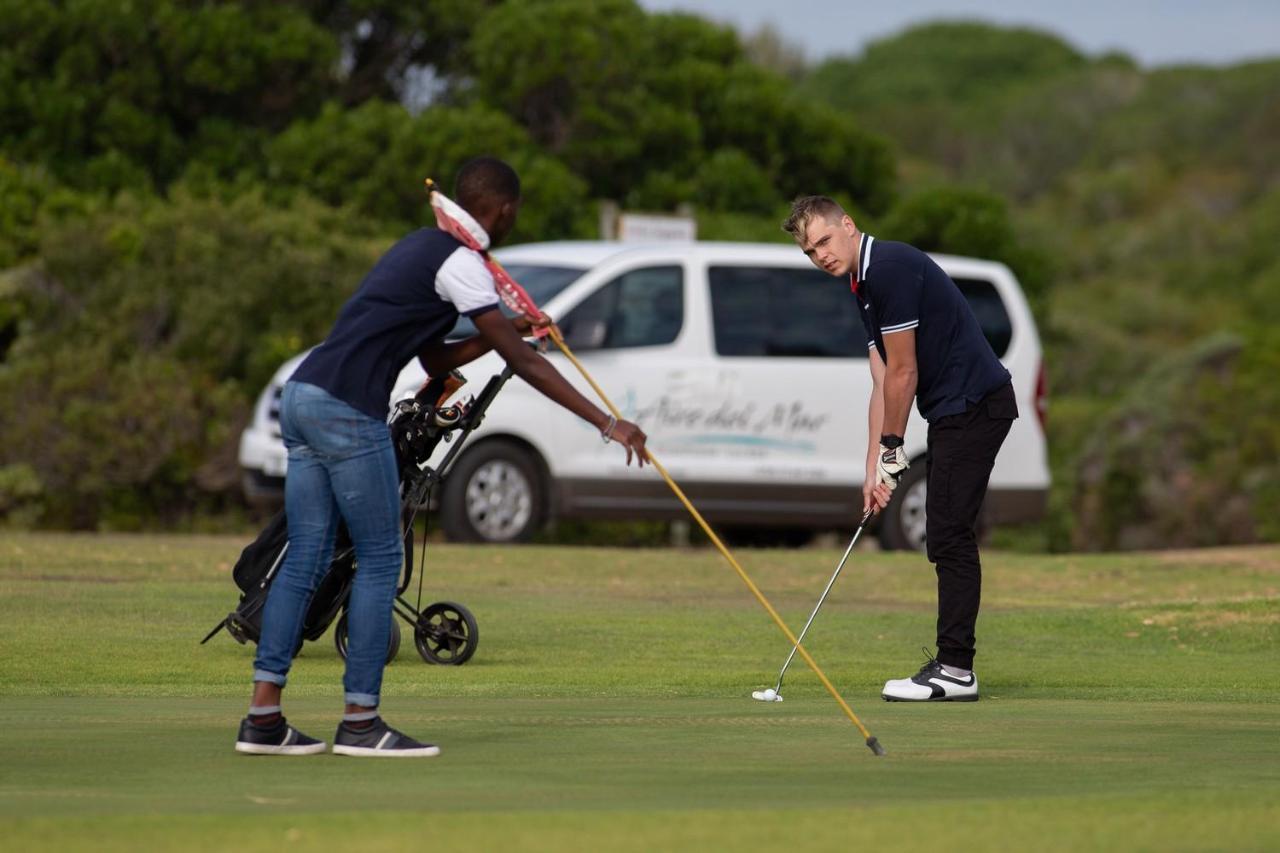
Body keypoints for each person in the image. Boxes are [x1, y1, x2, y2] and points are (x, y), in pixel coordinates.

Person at [235, 157, 648, 757]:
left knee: (308, 558)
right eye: (515, 214)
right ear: (503, 210)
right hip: (347, 411)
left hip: (303, 397)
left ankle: (263, 720)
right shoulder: (464, 265)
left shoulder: (421, 248)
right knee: (379, 559)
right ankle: (360, 723)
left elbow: (436, 361)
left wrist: (510, 335)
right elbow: (528, 365)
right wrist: (609, 422)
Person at [783, 196, 1017, 703]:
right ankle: (954, 664)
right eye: (809, 251)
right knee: (946, 532)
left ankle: (956, 670)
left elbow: (906, 372)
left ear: (848, 225)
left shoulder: (888, 269)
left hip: (975, 405)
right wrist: (874, 467)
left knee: (948, 534)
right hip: (956, 409)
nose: (820, 254)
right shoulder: (861, 282)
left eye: (824, 240)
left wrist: (893, 447)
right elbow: (883, 378)